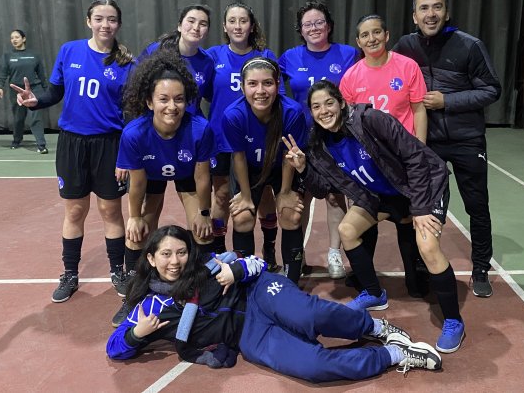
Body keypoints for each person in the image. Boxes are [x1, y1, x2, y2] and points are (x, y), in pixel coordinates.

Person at [106, 224, 443, 382]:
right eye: (165, 254)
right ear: (150, 258)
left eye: (180, 252)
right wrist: (136, 335)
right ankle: (395, 353)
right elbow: (114, 347)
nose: (175, 261)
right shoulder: (149, 307)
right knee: (313, 368)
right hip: (246, 336)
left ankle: (376, 328)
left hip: (257, 294)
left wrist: (236, 271)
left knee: (310, 314)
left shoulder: (209, 264)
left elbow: (259, 263)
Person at [283, 80, 466, 354]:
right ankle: (373, 292)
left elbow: (416, 158)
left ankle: (454, 321)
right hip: (382, 195)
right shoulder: (319, 144)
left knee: (427, 246)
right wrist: (302, 168)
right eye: (316, 107)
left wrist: (419, 209)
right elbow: (322, 190)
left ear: (342, 103)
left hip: (424, 184)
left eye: (329, 103)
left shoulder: (371, 120)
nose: (324, 111)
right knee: (347, 230)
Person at [12, 0, 135, 303]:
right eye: (99, 18)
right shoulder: (70, 50)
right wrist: (34, 100)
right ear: (88, 21)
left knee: (110, 210)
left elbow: (132, 113)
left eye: (111, 19)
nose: (105, 25)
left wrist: (127, 154)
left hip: (109, 144)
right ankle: (70, 274)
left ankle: (117, 271)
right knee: (75, 210)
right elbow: (55, 91)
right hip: (72, 143)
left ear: (118, 24)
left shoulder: (126, 63)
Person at [393, 0, 501, 298]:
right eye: (424, 9)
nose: (431, 14)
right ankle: (424, 267)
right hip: (427, 143)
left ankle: (480, 267)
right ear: (415, 16)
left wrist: (447, 101)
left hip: (467, 140)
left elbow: (492, 90)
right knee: (425, 207)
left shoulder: (470, 45)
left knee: (477, 206)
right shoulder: (405, 46)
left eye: (437, 7)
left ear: (447, 12)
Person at [111, 49, 217, 326]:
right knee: (137, 234)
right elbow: (137, 182)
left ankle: (207, 293)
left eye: (179, 99)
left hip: (186, 176)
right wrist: (134, 216)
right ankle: (133, 298)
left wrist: (205, 212)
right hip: (151, 175)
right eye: (164, 99)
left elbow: (203, 178)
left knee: (203, 230)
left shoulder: (200, 129)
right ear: (149, 101)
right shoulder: (134, 133)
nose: (172, 106)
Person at [340, 13, 429, 298]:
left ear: (386, 35)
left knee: (405, 219)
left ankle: (415, 275)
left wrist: (420, 150)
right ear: (358, 41)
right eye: (365, 35)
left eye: (376, 32)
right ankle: (365, 276)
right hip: (369, 162)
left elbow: (418, 109)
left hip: (402, 160)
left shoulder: (407, 67)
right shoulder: (352, 76)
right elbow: (348, 123)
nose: (371, 39)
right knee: (367, 216)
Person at [278, 1, 360, 279]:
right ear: (300, 30)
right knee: (300, 199)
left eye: (319, 23)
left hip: (336, 139)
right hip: (301, 139)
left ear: (329, 26)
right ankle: (296, 255)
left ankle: (334, 251)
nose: (314, 28)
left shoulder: (348, 54)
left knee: (336, 197)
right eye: (307, 24)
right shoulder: (289, 57)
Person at [207, 3, 281, 268]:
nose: (238, 26)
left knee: (264, 194)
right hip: (220, 138)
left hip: (257, 139)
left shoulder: (265, 55)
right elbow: (206, 93)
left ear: (252, 26)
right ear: (225, 27)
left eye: (243, 21)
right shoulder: (212, 56)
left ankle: (269, 248)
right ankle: (216, 252)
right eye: (232, 21)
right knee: (222, 195)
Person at [222, 57, 308, 284]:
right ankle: (247, 279)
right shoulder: (233, 115)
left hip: (282, 166)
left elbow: (289, 155)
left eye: (267, 83)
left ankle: (291, 281)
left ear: (278, 85)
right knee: (241, 217)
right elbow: (238, 156)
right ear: (242, 87)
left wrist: (286, 192)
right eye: (252, 84)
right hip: (249, 167)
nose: (260, 91)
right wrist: (246, 196)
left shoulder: (292, 112)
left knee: (291, 215)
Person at [139, 4, 215, 118]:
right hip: (158, 121)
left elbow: (208, 95)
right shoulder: (156, 50)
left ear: (207, 32)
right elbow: (137, 87)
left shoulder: (207, 62)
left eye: (203, 24)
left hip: (189, 123)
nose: (196, 27)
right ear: (179, 26)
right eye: (191, 21)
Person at [0, 29, 49, 154]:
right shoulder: (7, 56)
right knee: (18, 118)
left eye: (17, 37)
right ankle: (17, 140)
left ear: (23, 39)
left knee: (35, 117)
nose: (14, 40)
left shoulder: (34, 55)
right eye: (12, 38)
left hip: (34, 89)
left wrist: (46, 90)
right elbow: (3, 72)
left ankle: (41, 145)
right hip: (16, 91)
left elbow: (41, 74)